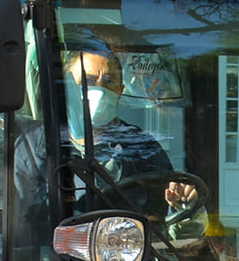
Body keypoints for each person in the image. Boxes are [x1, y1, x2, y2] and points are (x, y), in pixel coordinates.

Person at [64, 38, 198, 215]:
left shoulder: (143, 146)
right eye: (88, 80)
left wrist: (182, 205)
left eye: (109, 82)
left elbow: (165, 215)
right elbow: (25, 224)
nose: (100, 90)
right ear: (68, 84)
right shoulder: (36, 147)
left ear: (120, 91)